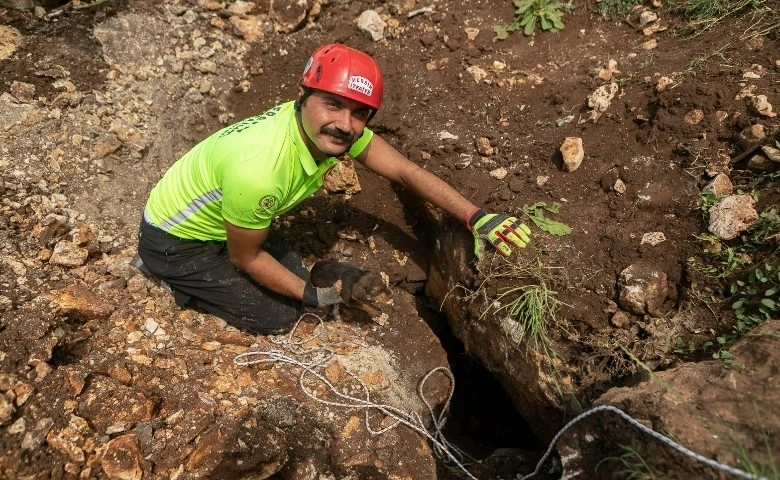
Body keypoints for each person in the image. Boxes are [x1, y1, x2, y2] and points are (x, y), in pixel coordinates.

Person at [134, 43, 532, 335]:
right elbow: (247, 257)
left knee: (299, 284)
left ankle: (310, 282)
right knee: (280, 317)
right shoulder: (261, 170)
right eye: (332, 104)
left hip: (230, 220)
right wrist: (315, 298)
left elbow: (406, 172)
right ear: (303, 97)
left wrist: (477, 216)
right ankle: (168, 277)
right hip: (176, 241)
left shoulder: (321, 131)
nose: (345, 124)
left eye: (359, 113)